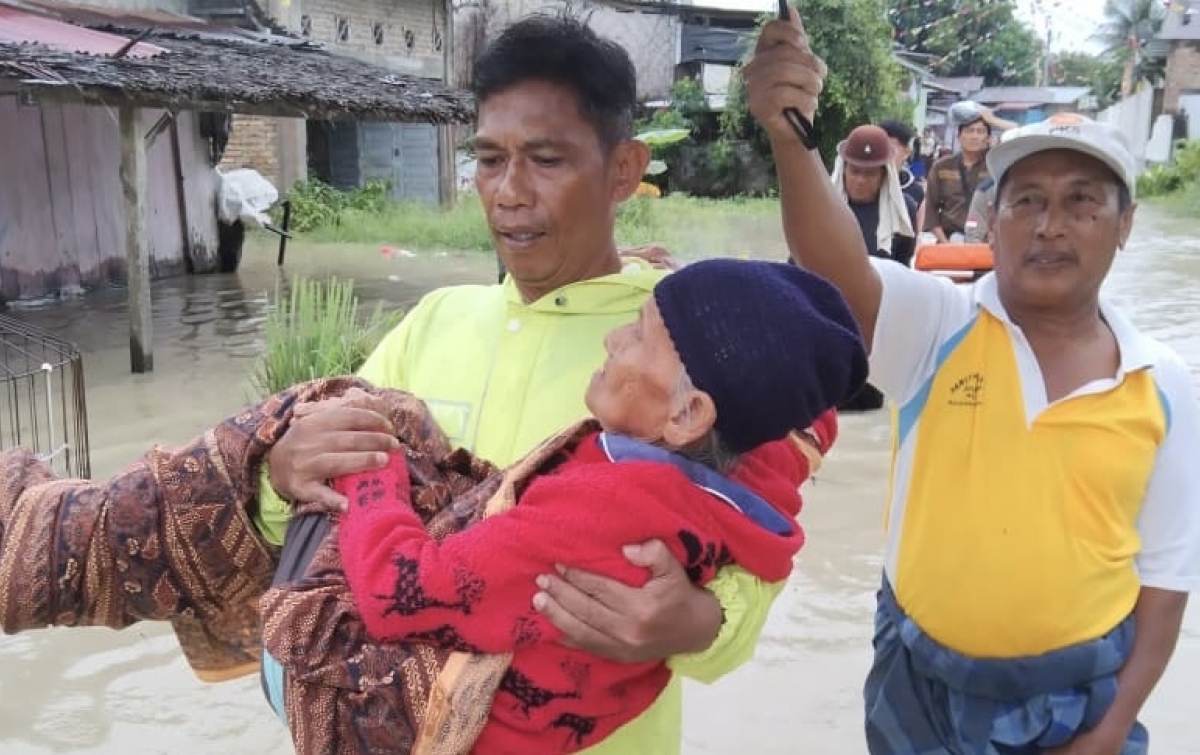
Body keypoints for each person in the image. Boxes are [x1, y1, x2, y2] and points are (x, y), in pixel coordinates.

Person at [256, 14, 787, 754]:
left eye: (545, 159)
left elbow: (759, 532)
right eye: (490, 159)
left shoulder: (680, 346)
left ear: (625, 170)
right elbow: (310, 519)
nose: (509, 192)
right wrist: (281, 470)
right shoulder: (436, 320)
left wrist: (700, 623)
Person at [744, 12, 1200, 752]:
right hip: (919, 688)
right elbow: (840, 277)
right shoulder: (939, 328)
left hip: (1078, 701)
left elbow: (1167, 579)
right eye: (1027, 201)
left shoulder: (1165, 383)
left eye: (1082, 201)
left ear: (1125, 225)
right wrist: (790, 138)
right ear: (993, 223)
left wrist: (1111, 730)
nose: (1051, 224)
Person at [268, 259, 865, 755]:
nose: (612, 339)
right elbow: (805, 429)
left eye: (636, 331)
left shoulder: (606, 504)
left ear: (687, 415)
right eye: (493, 159)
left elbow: (397, 592)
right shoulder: (732, 484)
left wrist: (372, 468)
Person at [831, 124, 918, 268]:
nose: (860, 180)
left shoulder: (901, 210)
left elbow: (902, 265)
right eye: (854, 171)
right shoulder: (823, 207)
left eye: (870, 174)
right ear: (843, 170)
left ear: (883, 175)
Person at [878, 119, 925, 209]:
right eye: (879, 150)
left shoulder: (915, 191)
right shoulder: (865, 185)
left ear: (906, 152)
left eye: (890, 151)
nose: (883, 157)